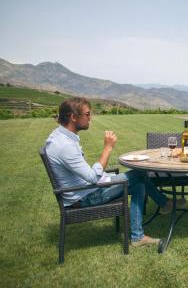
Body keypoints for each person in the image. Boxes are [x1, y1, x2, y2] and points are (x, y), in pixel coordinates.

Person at [45, 97, 171, 247]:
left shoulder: (59, 136)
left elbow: (87, 175)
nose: (90, 118)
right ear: (73, 117)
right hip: (85, 196)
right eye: (87, 114)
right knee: (139, 173)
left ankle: (138, 236)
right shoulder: (65, 146)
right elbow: (92, 177)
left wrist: (106, 177)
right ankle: (164, 204)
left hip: (84, 190)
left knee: (138, 185)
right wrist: (108, 147)